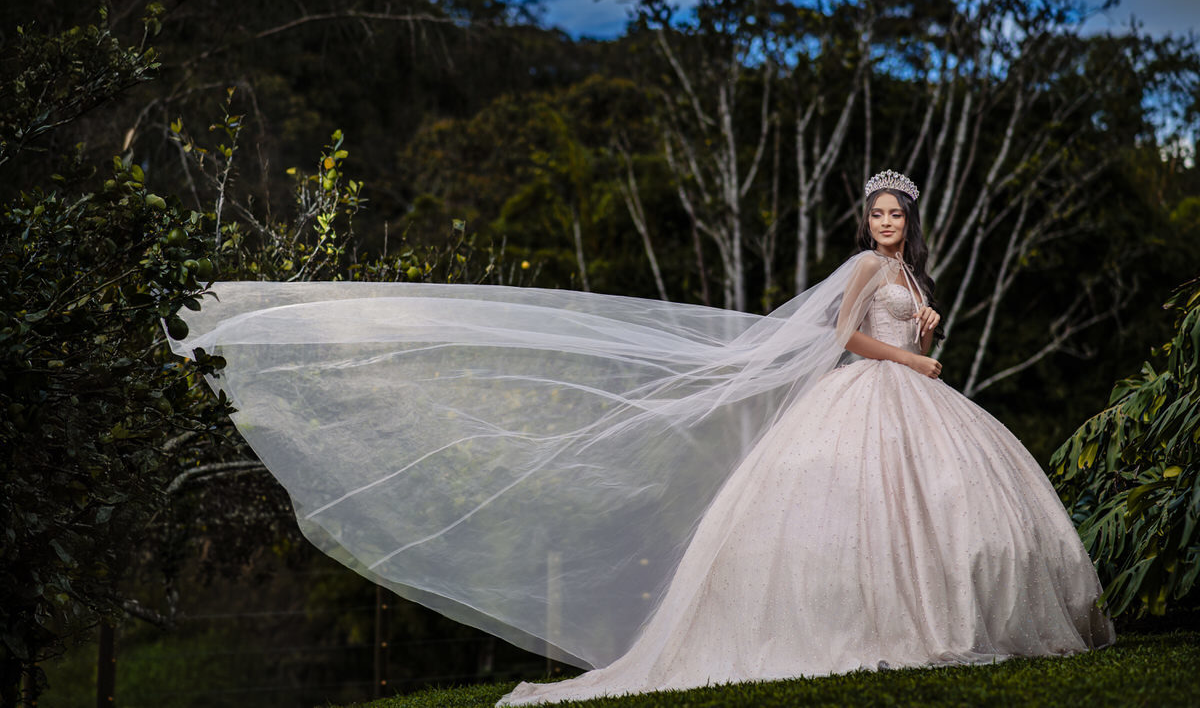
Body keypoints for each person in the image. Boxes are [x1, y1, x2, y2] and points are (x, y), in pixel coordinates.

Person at [170, 170, 1114, 705]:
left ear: (912, 219)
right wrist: (912, 361)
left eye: (895, 212)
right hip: (877, 392)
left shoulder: (907, 270)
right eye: (876, 212)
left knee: (946, 506)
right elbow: (844, 337)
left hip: (913, 399)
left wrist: (924, 334)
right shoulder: (866, 268)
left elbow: (896, 321)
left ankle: (953, 617)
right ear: (865, 222)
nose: (885, 222)